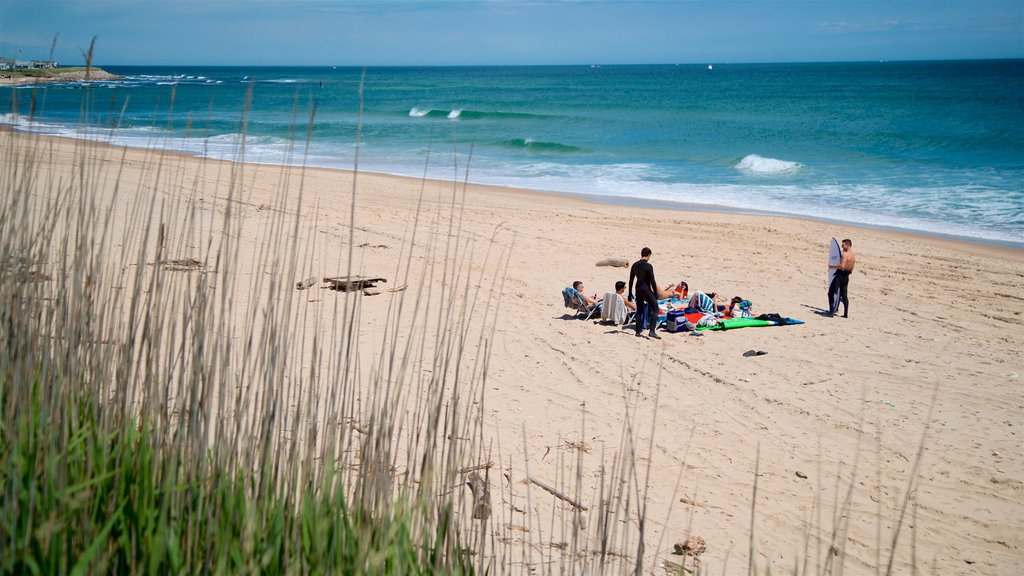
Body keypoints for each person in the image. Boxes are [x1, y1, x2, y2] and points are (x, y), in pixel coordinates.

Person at [628, 247, 660, 339]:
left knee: (639, 311)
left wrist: (630, 293)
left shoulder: (634, 265)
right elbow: (652, 281)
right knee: (655, 309)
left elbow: (631, 280)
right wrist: (655, 293)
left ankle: (638, 332)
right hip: (645, 288)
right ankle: (652, 331)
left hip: (638, 288)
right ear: (649, 255)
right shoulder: (648, 266)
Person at [828, 238, 856, 317]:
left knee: (831, 292)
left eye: (843, 245)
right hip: (846, 276)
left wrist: (832, 266)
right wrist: (847, 274)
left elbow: (841, 266)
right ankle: (845, 314)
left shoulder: (844, 254)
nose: (841, 246)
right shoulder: (853, 255)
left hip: (840, 276)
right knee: (844, 296)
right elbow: (852, 268)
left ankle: (831, 311)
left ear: (847, 245)